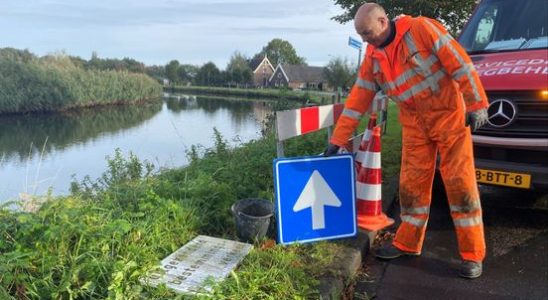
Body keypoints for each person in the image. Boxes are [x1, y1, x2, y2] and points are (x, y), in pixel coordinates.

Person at [324, 2, 488, 279]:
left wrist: (476, 103)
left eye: (367, 33)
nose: (365, 40)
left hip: (449, 118)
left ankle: (472, 255)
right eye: (362, 35)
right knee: (411, 186)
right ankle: (407, 243)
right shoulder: (373, 57)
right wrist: (337, 140)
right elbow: (356, 102)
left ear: (383, 22)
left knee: (460, 185)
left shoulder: (422, 30)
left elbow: (459, 64)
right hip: (414, 125)